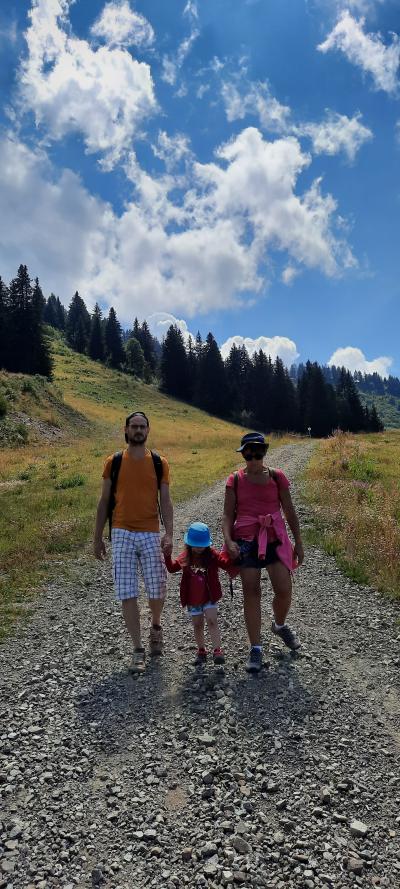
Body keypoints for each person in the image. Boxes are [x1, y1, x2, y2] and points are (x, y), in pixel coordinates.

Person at [94, 411, 173, 674]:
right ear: (126, 430)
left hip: (151, 531)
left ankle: (156, 626)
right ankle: (138, 648)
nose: (138, 430)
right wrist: (97, 538)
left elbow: (166, 500)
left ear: (148, 431)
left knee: (157, 587)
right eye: (134, 426)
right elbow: (104, 501)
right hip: (121, 532)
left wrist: (169, 533)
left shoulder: (160, 463)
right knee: (127, 591)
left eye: (142, 426)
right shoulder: (113, 462)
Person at [222, 432, 304, 673]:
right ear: (243, 453)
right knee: (251, 590)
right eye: (249, 452)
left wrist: (298, 542)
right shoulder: (234, 480)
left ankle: (279, 625)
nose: (253, 457)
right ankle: (255, 648)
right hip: (246, 539)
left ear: (264, 453)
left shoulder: (278, 477)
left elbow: (289, 511)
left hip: (274, 537)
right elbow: (227, 515)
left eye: (258, 452)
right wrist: (228, 540)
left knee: (283, 589)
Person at [164, 522, 234, 667]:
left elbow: (225, 564)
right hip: (192, 599)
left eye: (201, 545)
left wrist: (232, 553)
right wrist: (167, 555)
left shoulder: (212, 555)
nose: (199, 548)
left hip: (209, 596)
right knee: (197, 625)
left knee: (212, 620)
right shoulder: (185, 557)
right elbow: (171, 568)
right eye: (195, 545)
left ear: (207, 544)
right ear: (188, 544)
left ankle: (217, 650)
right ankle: (201, 650)